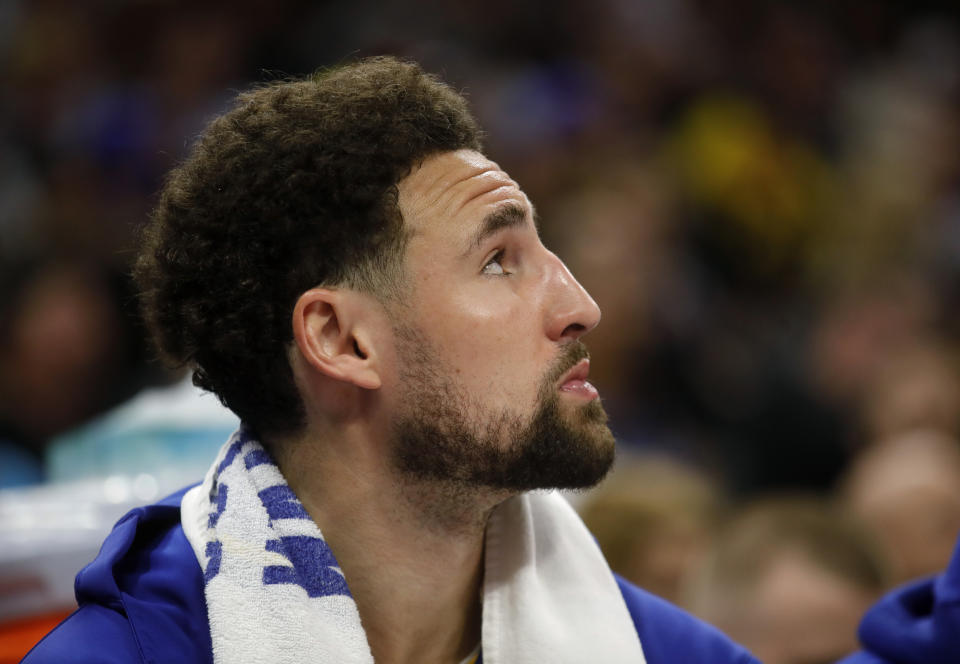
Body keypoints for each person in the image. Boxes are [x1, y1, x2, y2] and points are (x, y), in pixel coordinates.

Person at [22, 57, 759, 664]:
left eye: (545, 249)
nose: (581, 305)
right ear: (342, 342)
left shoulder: (662, 652)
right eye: (501, 262)